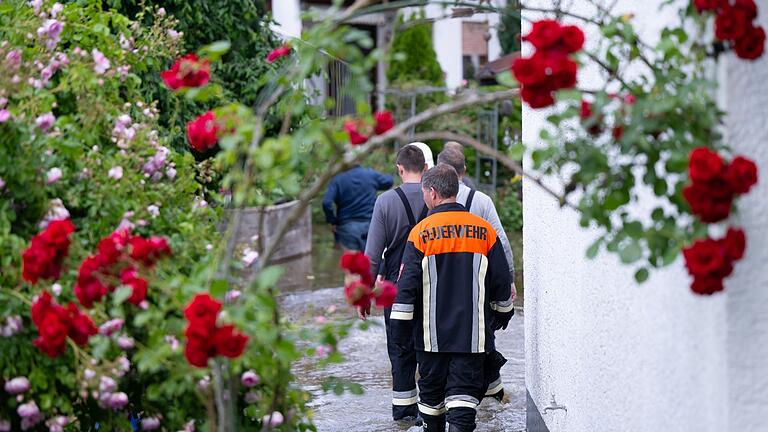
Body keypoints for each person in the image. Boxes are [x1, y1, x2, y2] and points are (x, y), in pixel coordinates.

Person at [390, 165, 513, 432]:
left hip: (430, 342)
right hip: (471, 340)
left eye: (424, 192)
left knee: (431, 405)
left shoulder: (420, 234)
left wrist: (400, 333)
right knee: (463, 407)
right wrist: (503, 313)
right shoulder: (484, 232)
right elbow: (502, 282)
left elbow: (405, 290)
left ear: (432, 192)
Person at [436, 147, 517, 401]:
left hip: (442, 281)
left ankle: (448, 393)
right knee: (483, 334)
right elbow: (501, 242)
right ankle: (492, 395)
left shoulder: (431, 197)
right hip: (478, 281)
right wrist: (509, 278)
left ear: (439, 171)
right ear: (465, 171)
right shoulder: (481, 201)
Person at [361, 144, 429, 425]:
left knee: (400, 352)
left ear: (399, 169)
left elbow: (373, 254)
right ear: (426, 169)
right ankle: (432, 413)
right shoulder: (436, 198)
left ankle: (403, 417)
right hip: (430, 286)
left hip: (396, 290)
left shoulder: (385, 202)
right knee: (429, 350)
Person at [322, 165, 393, 251]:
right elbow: (389, 181)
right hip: (370, 226)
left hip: (347, 228)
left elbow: (326, 203)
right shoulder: (370, 175)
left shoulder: (338, 179)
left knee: (352, 262)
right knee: (371, 261)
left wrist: (333, 221)